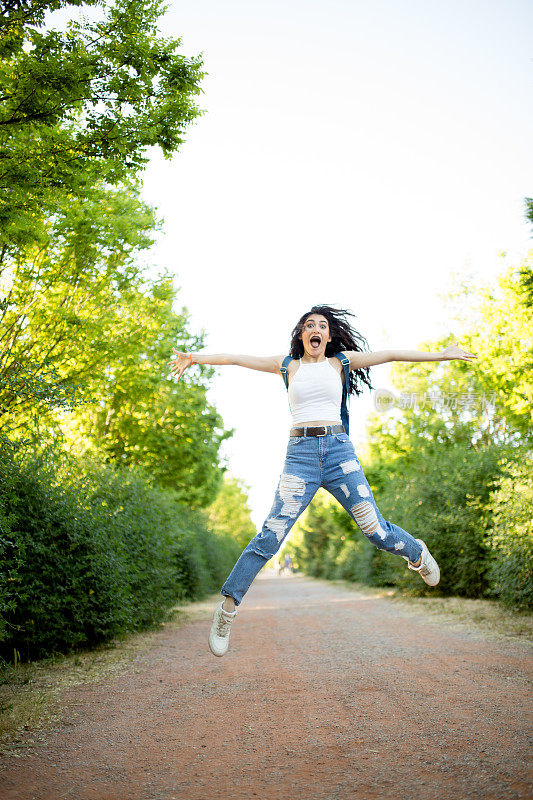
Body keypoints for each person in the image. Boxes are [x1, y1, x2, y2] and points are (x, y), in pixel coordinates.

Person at [168, 305, 477, 658]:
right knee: (270, 535)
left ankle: (416, 552)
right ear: (302, 336)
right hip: (299, 457)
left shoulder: (340, 363)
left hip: (338, 454)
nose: (316, 329)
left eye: (322, 326)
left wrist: (442, 355)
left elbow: (392, 354)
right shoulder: (287, 366)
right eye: (309, 325)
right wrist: (194, 358)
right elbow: (238, 358)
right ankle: (227, 609)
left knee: (374, 529)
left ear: (328, 337)